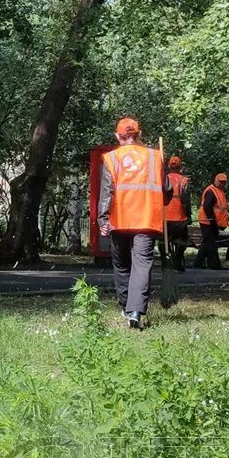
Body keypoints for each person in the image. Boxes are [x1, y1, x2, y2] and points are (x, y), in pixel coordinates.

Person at [97, 117, 172, 329]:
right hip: (147, 220)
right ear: (139, 135)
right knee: (141, 265)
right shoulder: (155, 156)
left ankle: (125, 305)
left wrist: (103, 218)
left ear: (117, 136)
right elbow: (166, 191)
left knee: (121, 264)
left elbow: (107, 192)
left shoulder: (111, 158)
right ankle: (135, 311)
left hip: (119, 220)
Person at [197, 172, 229, 270]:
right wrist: (212, 221)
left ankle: (198, 262)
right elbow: (207, 207)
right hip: (208, 221)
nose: (222, 184)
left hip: (211, 221)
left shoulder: (219, 191)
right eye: (221, 182)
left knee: (207, 242)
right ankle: (214, 265)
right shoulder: (211, 191)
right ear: (215, 180)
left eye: (224, 182)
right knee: (211, 243)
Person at [163, 156, 191, 273]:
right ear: (180, 167)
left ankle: (166, 264)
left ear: (169, 166)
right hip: (179, 217)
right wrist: (188, 215)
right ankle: (177, 263)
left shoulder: (163, 179)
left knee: (164, 242)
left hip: (164, 217)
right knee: (181, 241)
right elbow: (186, 199)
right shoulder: (184, 180)